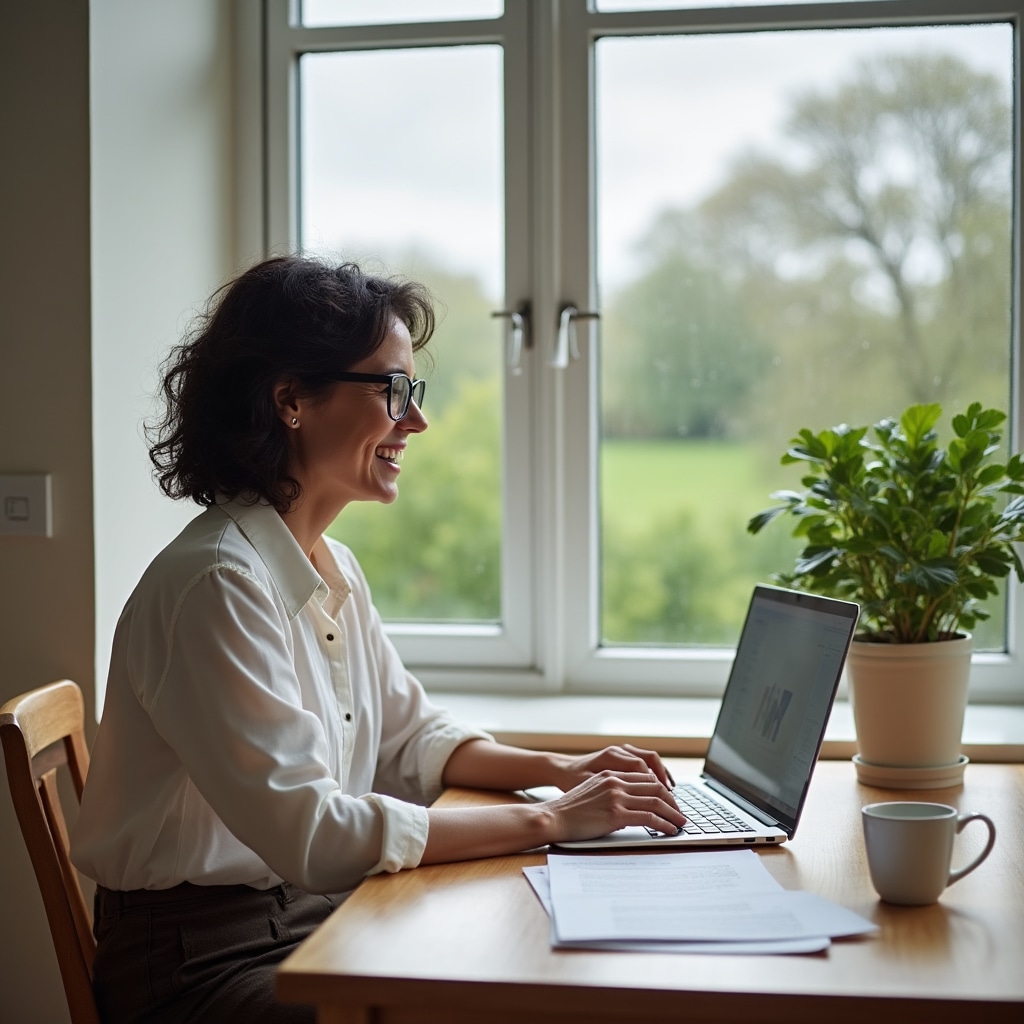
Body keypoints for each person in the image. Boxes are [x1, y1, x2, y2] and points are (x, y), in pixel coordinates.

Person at [71, 254, 684, 1024]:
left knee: (532, 963)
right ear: (291, 400)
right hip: (199, 964)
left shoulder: (329, 565)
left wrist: (562, 771)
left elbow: (410, 738)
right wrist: (552, 821)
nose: (416, 420)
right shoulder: (218, 585)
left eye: (413, 391)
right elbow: (319, 836)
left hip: (302, 914)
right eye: (394, 389)